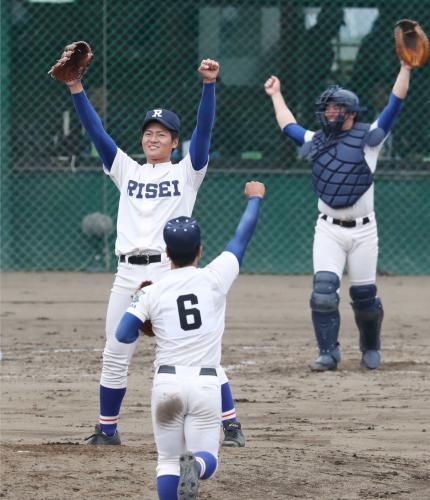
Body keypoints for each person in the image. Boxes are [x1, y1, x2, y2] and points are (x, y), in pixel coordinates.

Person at [58, 54, 245, 446]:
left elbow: (205, 131)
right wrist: (76, 89)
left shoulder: (187, 172)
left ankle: (229, 423)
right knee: (115, 350)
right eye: (149, 132)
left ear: (176, 142)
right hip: (127, 273)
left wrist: (209, 86)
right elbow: (98, 135)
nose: (153, 137)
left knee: (191, 352)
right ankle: (107, 430)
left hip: (168, 272)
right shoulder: (128, 170)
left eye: (163, 133)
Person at [106, 181, 264, 499]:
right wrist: (255, 200)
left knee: (167, 461)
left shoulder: (151, 292)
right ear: (200, 250)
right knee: (207, 459)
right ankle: (199, 469)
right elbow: (241, 238)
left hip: (166, 384)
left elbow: (123, 334)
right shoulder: (215, 277)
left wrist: (145, 317)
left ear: (166, 253)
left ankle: (184, 471)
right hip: (206, 384)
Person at [264, 58, 413, 371]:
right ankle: (328, 353)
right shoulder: (316, 141)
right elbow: (288, 125)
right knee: (323, 292)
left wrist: (405, 69)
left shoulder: (369, 139)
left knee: (364, 296)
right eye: (327, 108)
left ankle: (370, 346)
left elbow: (394, 104)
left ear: (351, 112)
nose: (329, 113)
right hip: (328, 229)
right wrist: (276, 94)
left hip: (363, 231)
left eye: (335, 108)